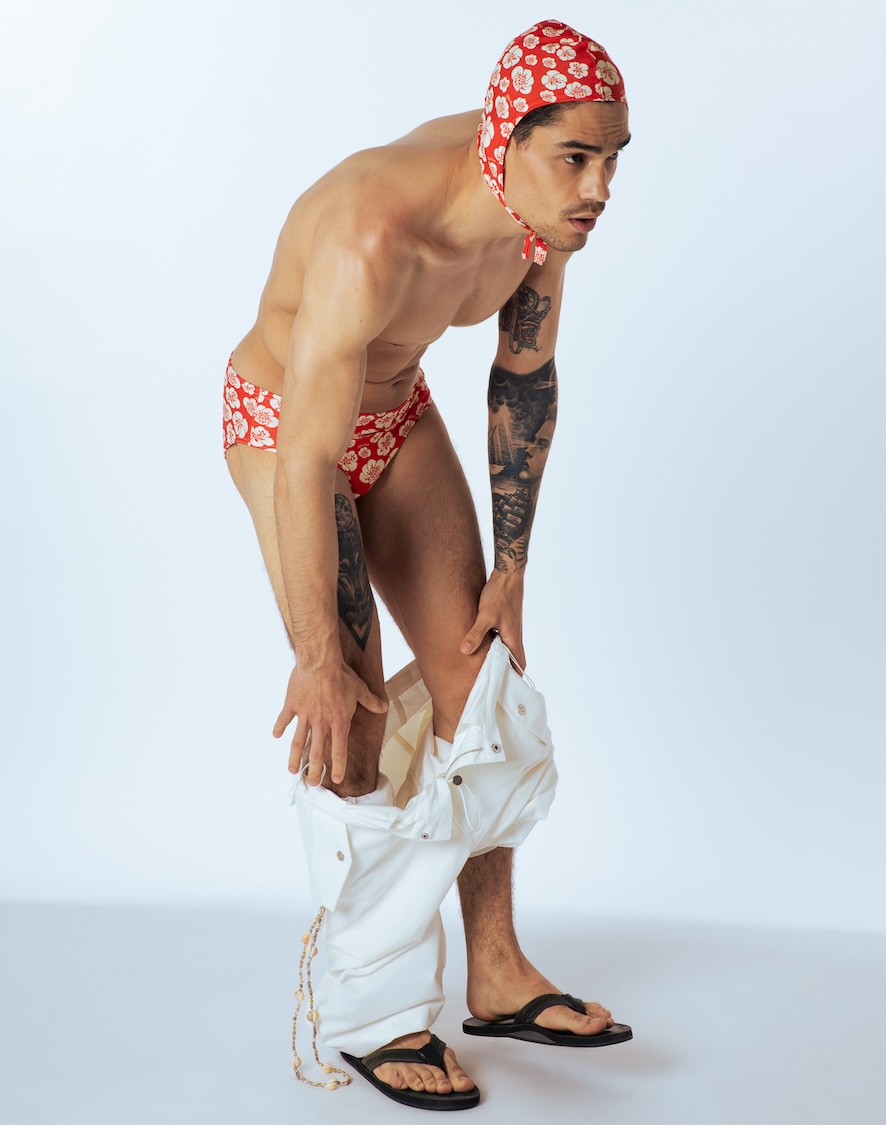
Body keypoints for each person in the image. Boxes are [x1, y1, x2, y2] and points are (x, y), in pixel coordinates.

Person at [224, 20, 633, 1111]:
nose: (598, 188)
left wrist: (512, 567)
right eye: (576, 158)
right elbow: (309, 456)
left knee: (481, 687)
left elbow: (524, 378)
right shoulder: (374, 231)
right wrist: (317, 650)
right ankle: (376, 1011)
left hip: (397, 415)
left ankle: (495, 973)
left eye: (611, 159)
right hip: (288, 430)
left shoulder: (542, 218)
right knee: (350, 719)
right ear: (508, 137)